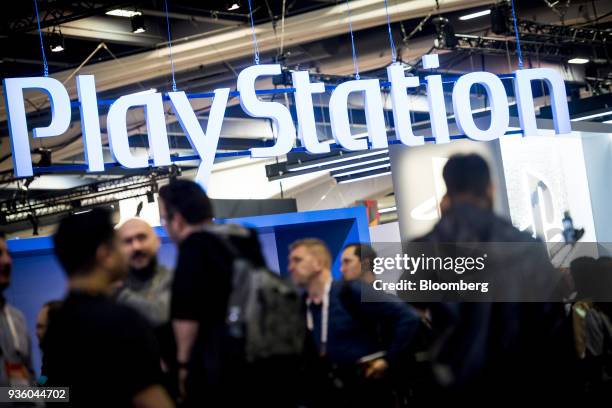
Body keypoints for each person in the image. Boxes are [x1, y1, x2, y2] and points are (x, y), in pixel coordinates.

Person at [410, 153, 572, 401]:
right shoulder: (527, 245)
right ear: (490, 189)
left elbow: (411, 296)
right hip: (526, 384)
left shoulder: (428, 245)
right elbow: (553, 325)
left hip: (458, 387)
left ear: (448, 192)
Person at [43, 208, 174, 408]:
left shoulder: (55, 326)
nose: (129, 250)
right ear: (106, 255)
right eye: (120, 244)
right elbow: (151, 399)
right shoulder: (123, 321)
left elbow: (53, 394)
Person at [158, 180, 268, 407]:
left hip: (220, 366)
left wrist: (183, 366)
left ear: (177, 220)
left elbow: (186, 314)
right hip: (261, 355)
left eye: (164, 220)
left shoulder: (193, 247)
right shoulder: (244, 236)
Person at [288, 238, 419, 408]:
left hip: (367, 391)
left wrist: (388, 360)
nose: (290, 267)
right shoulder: (304, 305)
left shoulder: (350, 292)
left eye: (297, 260)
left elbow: (408, 318)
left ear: (318, 263)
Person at [115, 218, 172, 327]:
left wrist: (118, 294)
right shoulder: (109, 290)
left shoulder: (176, 279)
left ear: (157, 241)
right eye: (127, 241)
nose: (136, 247)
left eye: (141, 238)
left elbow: (160, 317)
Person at [0, 231, 35, 388]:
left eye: (9, 254)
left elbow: (31, 378)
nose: (7, 261)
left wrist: (56, 395)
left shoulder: (17, 319)